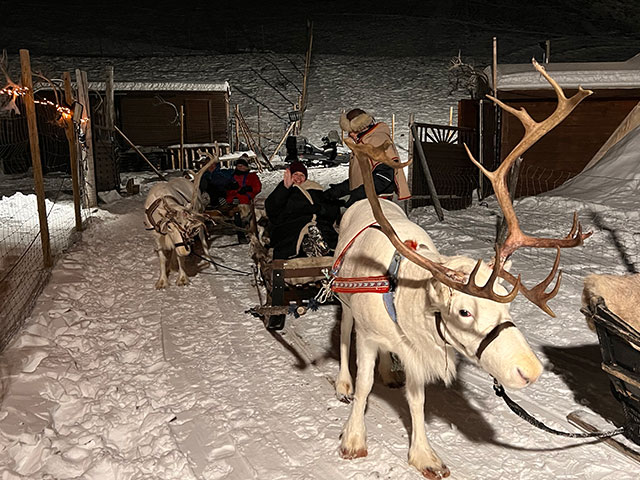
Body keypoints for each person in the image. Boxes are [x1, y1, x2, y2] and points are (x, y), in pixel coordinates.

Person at [326, 108, 411, 208]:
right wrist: (338, 190)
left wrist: (358, 194)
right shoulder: (364, 141)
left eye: (353, 131)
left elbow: (384, 177)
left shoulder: (377, 140)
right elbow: (362, 177)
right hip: (366, 197)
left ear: (363, 127)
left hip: (377, 200)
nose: (350, 134)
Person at [265, 160, 339, 260]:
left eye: (302, 175)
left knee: (327, 236)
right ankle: (309, 245)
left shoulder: (315, 189)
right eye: (295, 174)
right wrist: (285, 189)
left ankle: (318, 245)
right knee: (293, 238)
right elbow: (272, 208)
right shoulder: (285, 190)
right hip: (292, 225)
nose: (298, 178)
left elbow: (331, 211)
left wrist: (323, 209)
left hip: (318, 224)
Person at [225, 154, 262, 244]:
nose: (239, 168)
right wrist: (230, 189)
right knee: (233, 209)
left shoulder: (252, 176)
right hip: (232, 200)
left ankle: (242, 234)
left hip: (246, 201)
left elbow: (257, 188)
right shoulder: (232, 177)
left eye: (242, 166)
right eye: (238, 166)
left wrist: (248, 189)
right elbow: (226, 190)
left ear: (246, 167)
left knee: (239, 211)